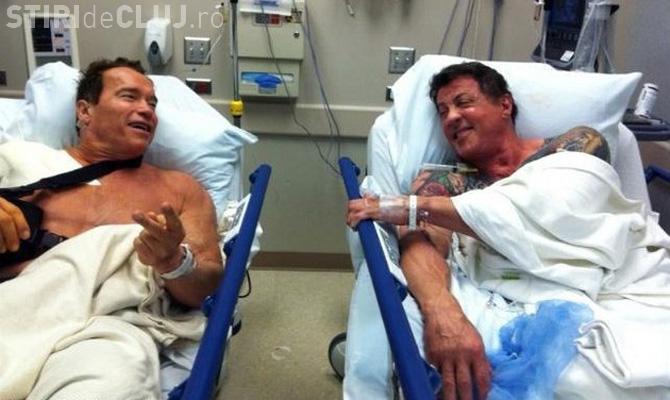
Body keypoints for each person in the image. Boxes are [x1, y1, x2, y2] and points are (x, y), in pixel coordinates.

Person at [347, 62, 612, 400]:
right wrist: (443, 312)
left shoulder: (574, 147)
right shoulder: (444, 182)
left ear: (505, 105)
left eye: (463, 102)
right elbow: (420, 242)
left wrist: (413, 206)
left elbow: (563, 209)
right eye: (443, 111)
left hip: (592, 279)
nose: (451, 118)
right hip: (503, 290)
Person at [0, 58, 222, 398]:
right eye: (129, 96)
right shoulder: (18, 159)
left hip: (105, 328)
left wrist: (173, 262)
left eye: (152, 103)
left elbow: (205, 287)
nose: (146, 110)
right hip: (14, 304)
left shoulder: (180, 189)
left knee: (113, 384)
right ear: (85, 111)